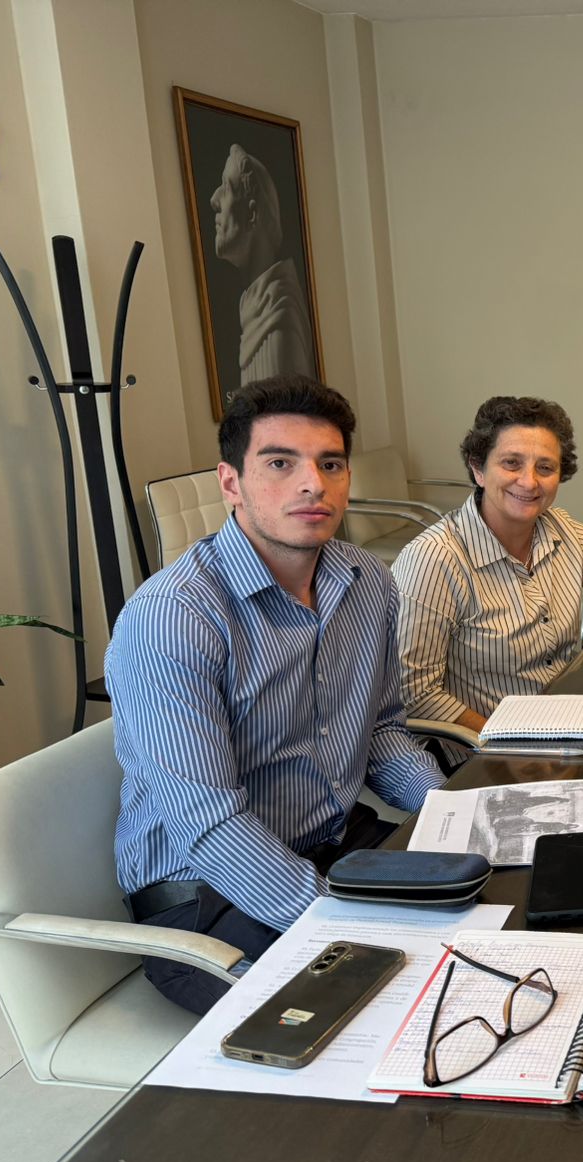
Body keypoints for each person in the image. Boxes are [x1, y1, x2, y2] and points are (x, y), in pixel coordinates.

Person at [108, 376, 445, 1014]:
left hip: (334, 844)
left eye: (330, 464)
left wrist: (451, 811)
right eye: (280, 463)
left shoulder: (368, 581)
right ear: (231, 482)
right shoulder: (174, 617)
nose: (313, 483)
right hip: (209, 899)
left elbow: (381, 731)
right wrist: (338, 919)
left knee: (503, 896)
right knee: (398, 1007)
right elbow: (209, 825)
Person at [394, 396, 583, 734]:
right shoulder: (434, 559)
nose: (529, 482)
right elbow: (414, 693)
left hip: (568, 721)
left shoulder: (560, 528)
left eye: (545, 468)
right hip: (486, 747)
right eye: (511, 463)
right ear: (478, 469)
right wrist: (504, 740)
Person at [210, 143, 314, 385]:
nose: (214, 200)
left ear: (252, 214)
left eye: (227, 187)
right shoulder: (256, 309)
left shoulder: (279, 314)